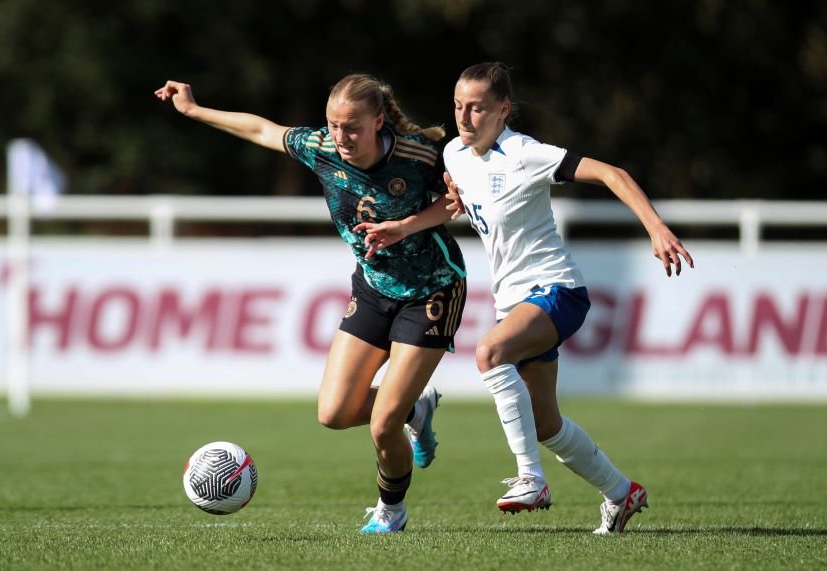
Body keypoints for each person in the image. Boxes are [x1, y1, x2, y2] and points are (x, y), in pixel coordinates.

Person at [356, 62, 694, 534]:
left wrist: (656, 228)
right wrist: (403, 227)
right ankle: (622, 493)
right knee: (547, 423)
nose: (465, 117)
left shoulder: (526, 154)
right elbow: (453, 205)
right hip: (513, 301)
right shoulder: (454, 153)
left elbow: (612, 173)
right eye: (458, 106)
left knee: (490, 353)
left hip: (557, 289)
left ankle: (531, 479)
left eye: (477, 107)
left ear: (504, 110)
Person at [155, 74, 467, 533]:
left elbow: (453, 201)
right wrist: (194, 110)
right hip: (374, 288)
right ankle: (415, 409)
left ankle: (391, 512)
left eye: (352, 127)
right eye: (334, 125)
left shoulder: (418, 155)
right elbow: (261, 129)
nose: (341, 137)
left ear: (378, 120)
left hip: (433, 290)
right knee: (334, 413)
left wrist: (404, 226)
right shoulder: (320, 147)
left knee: (383, 425)